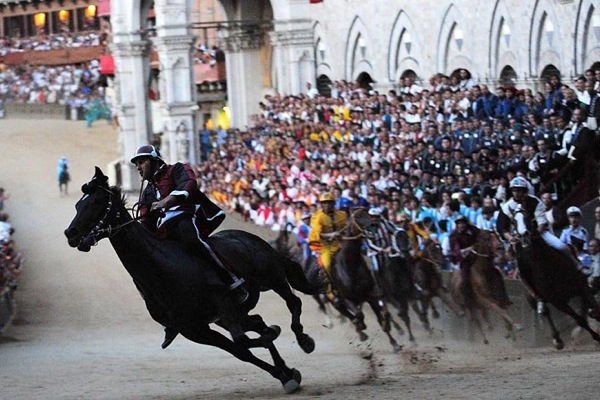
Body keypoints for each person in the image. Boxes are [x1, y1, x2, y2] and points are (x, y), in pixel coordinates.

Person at [131, 144, 248, 349]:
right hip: (163, 230)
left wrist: (167, 200)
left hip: (185, 217)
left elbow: (189, 185)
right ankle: (170, 316)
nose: (139, 168)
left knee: (193, 240)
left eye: (141, 162)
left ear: (154, 160)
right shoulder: (148, 191)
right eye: (137, 165)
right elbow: (145, 218)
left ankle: (230, 279)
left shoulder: (176, 169)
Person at [308, 192, 348, 302]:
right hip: (326, 247)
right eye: (324, 203)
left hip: (341, 244)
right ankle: (329, 292)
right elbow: (317, 234)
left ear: (333, 204)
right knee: (327, 265)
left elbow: (346, 228)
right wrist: (331, 235)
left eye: (329, 203)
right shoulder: (317, 217)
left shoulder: (341, 215)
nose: (327, 205)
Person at [449, 215, 480, 302]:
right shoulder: (453, 236)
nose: (462, 225)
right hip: (463, 259)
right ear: (457, 225)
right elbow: (456, 251)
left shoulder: (471, 231)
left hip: (475, 255)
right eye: (460, 223)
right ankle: (467, 296)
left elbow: (480, 233)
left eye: (463, 223)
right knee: (465, 274)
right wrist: (468, 249)